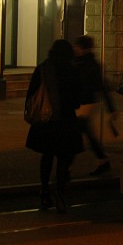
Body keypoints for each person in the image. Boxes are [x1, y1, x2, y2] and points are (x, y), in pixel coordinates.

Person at [26, 39, 83, 212]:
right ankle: (60, 191)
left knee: (47, 157)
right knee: (63, 159)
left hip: (46, 121)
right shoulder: (71, 70)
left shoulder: (43, 68)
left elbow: (32, 93)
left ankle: (44, 191)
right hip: (65, 121)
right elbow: (77, 99)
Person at [72, 35, 117, 176]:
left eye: (78, 46)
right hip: (81, 103)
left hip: (87, 103)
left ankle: (66, 164)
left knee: (77, 132)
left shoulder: (91, 65)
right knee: (83, 133)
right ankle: (102, 160)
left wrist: (111, 109)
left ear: (83, 48)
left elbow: (102, 87)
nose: (76, 48)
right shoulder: (80, 63)